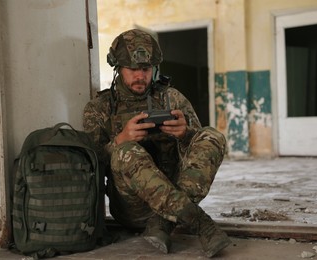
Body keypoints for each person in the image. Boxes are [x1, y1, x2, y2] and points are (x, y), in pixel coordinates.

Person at [83, 29, 231, 258]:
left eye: (145, 69)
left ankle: (163, 223)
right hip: (133, 206)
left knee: (212, 136)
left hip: (177, 190)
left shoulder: (172, 98)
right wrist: (120, 141)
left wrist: (185, 134)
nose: (140, 76)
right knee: (126, 151)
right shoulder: (100, 108)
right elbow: (91, 167)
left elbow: (198, 151)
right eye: (132, 69)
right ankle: (201, 223)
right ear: (118, 69)